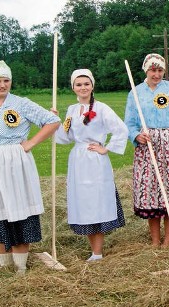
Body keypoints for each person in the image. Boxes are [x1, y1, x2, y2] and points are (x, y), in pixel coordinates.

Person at [0, 61, 60, 275]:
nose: (2, 85)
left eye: (6, 80)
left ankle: (20, 267)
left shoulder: (21, 103)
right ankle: (4, 265)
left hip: (14, 162)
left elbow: (52, 121)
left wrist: (30, 143)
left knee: (19, 209)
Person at [53, 69, 128, 261]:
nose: (83, 87)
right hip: (78, 160)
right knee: (83, 201)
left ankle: (97, 252)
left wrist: (107, 148)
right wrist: (54, 121)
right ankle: (93, 248)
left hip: (95, 159)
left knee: (97, 200)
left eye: (86, 84)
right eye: (78, 84)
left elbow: (120, 129)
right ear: (73, 88)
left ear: (92, 85)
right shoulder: (71, 110)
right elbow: (64, 137)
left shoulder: (102, 108)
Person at [124, 53, 169, 247]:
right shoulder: (135, 93)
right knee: (151, 195)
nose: (157, 74)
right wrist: (136, 135)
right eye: (153, 70)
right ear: (146, 70)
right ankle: (155, 239)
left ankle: (168, 239)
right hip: (147, 149)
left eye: (160, 70)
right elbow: (128, 123)